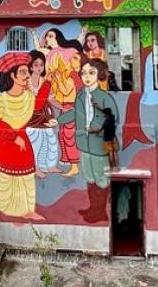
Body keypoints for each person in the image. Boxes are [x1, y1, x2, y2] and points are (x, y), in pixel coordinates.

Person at [0, 51, 56, 220]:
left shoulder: (28, 97)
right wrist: (14, 137)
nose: (27, 76)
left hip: (23, 146)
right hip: (4, 146)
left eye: (27, 71)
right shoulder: (0, 100)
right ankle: (8, 211)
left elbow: (38, 105)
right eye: (23, 72)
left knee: (26, 178)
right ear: (13, 76)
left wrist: (48, 83)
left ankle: (28, 210)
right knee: (6, 180)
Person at [56, 57, 118, 223]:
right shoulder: (81, 95)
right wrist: (58, 120)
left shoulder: (104, 97)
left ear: (99, 74)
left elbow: (113, 118)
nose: (87, 77)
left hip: (99, 143)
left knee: (101, 177)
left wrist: (96, 127)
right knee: (89, 176)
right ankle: (93, 208)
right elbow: (75, 113)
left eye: (91, 72)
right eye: (83, 73)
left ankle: (100, 211)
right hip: (84, 143)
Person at [33, 28, 84, 177]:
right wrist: (34, 35)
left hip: (70, 99)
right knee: (63, 134)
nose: (47, 39)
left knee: (68, 134)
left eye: (50, 36)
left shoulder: (67, 54)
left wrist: (82, 33)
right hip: (63, 100)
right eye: (46, 36)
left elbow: (71, 78)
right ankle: (66, 159)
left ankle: (74, 164)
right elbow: (38, 49)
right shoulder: (49, 54)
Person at [25, 49, 61, 177]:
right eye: (36, 65)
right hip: (32, 117)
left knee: (50, 141)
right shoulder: (26, 82)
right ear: (30, 67)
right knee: (36, 143)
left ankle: (49, 166)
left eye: (41, 64)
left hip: (45, 116)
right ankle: (36, 168)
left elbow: (50, 98)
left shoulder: (44, 80)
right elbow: (35, 103)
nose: (39, 67)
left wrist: (62, 107)